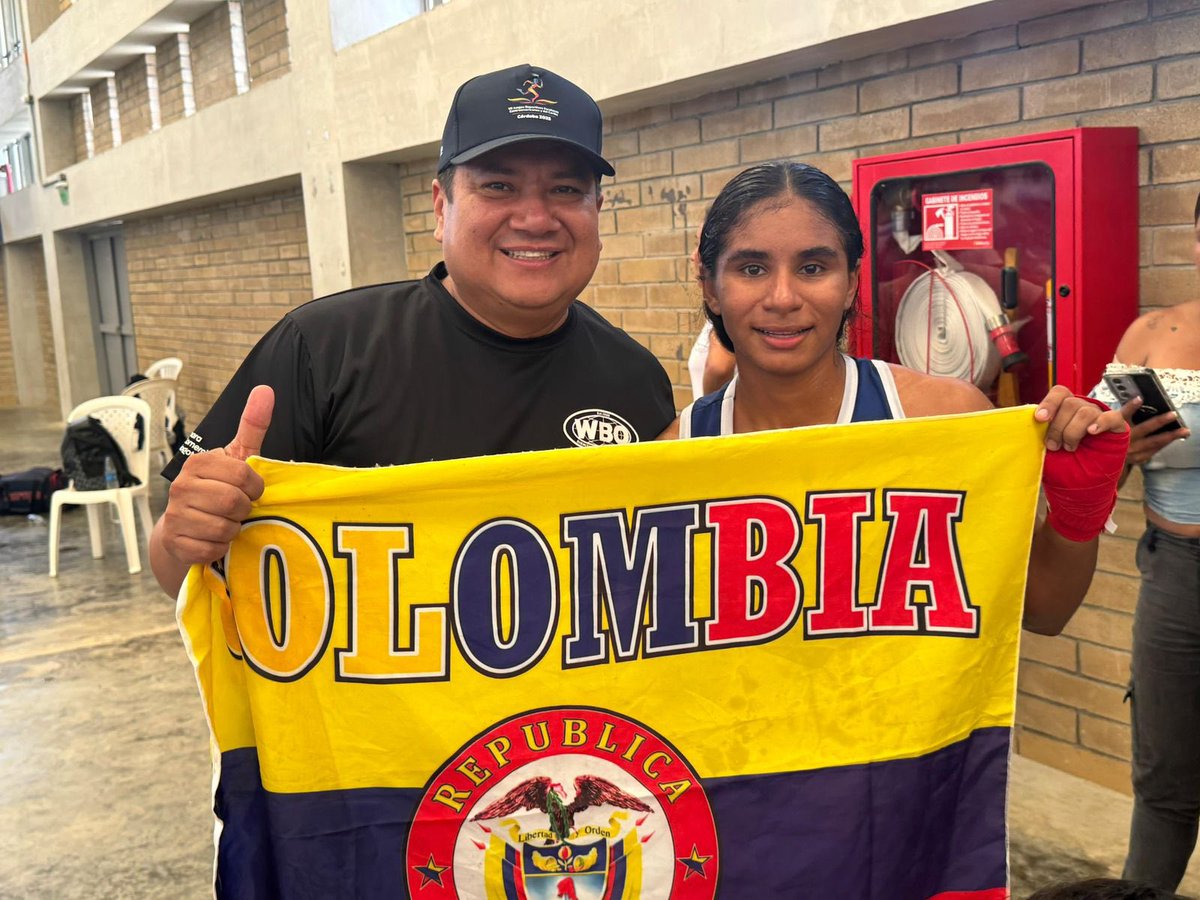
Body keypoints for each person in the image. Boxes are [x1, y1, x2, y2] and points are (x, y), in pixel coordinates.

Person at [149, 64, 675, 597]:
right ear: (441, 207)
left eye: (566, 189)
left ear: (597, 211)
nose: (536, 218)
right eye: (498, 185)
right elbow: (175, 572)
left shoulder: (635, 379)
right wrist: (181, 533)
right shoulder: (323, 349)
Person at [661, 161, 1131, 635]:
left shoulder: (944, 418)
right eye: (753, 268)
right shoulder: (671, 456)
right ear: (710, 286)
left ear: (850, 283)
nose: (782, 297)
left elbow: (1044, 612)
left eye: (812, 267)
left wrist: (1077, 513)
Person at [1096, 192, 1200, 892]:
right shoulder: (1150, 334)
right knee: (1165, 779)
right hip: (1176, 575)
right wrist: (1119, 448)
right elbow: (1097, 448)